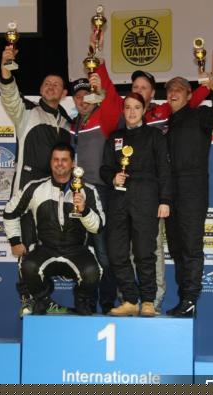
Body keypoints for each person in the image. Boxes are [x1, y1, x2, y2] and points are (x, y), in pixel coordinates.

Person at [92, 30, 213, 313]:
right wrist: (97, 58)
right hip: (127, 197)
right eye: (134, 87)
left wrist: (210, 82)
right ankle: (130, 298)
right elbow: (108, 91)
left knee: (152, 251)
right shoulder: (119, 130)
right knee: (123, 250)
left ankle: (153, 299)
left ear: (151, 93)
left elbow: (188, 100)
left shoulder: (164, 113)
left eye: (144, 87)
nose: (136, 99)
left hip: (159, 196)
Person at [0, 45, 72, 316]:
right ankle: (29, 300)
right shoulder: (26, 113)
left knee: (47, 250)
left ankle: (44, 300)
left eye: (57, 85)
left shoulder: (67, 123)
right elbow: (9, 95)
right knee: (27, 248)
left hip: (54, 199)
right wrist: (6, 67)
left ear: (64, 93)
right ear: (41, 89)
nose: (51, 87)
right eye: (47, 83)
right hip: (27, 195)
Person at [3, 143, 104, 315]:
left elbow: (98, 227)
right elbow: (10, 212)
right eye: (56, 159)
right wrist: (14, 241)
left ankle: (82, 301)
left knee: (93, 272)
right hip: (46, 249)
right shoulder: (34, 187)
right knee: (28, 266)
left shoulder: (88, 190)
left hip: (77, 250)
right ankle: (42, 300)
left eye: (64, 160)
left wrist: (84, 210)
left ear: (73, 163)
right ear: (50, 162)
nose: (59, 164)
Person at [164, 56, 213, 317]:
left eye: (179, 89)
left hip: (193, 189)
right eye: (170, 89)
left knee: (191, 248)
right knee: (177, 249)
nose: (173, 92)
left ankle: (190, 300)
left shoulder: (200, 115)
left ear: (189, 95)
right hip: (170, 192)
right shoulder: (166, 124)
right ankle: (184, 300)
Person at [100, 93, 172, 317]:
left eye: (137, 107)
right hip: (119, 199)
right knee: (116, 252)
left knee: (144, 252)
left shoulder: (155, 136)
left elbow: (164, 170)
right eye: (128, 107)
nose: (132, 112)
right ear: (123, 110)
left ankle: (148, 300)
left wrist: (165, 200)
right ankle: (130, 299)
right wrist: (113, 178)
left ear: (144, 110)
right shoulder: (115, 138)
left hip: (146, 197)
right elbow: (104, 168)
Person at [69, 77, 122, 314]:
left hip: (100, 191)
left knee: (103, 251)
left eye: (87, 95)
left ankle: (108, 301)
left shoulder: (104, 116)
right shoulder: (72, 124)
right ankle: (85, 302)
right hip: (76, 192)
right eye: (78, 97)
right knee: (80, 249)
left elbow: (114, 104)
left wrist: (102, 86)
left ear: (95, 97)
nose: (82, 100)